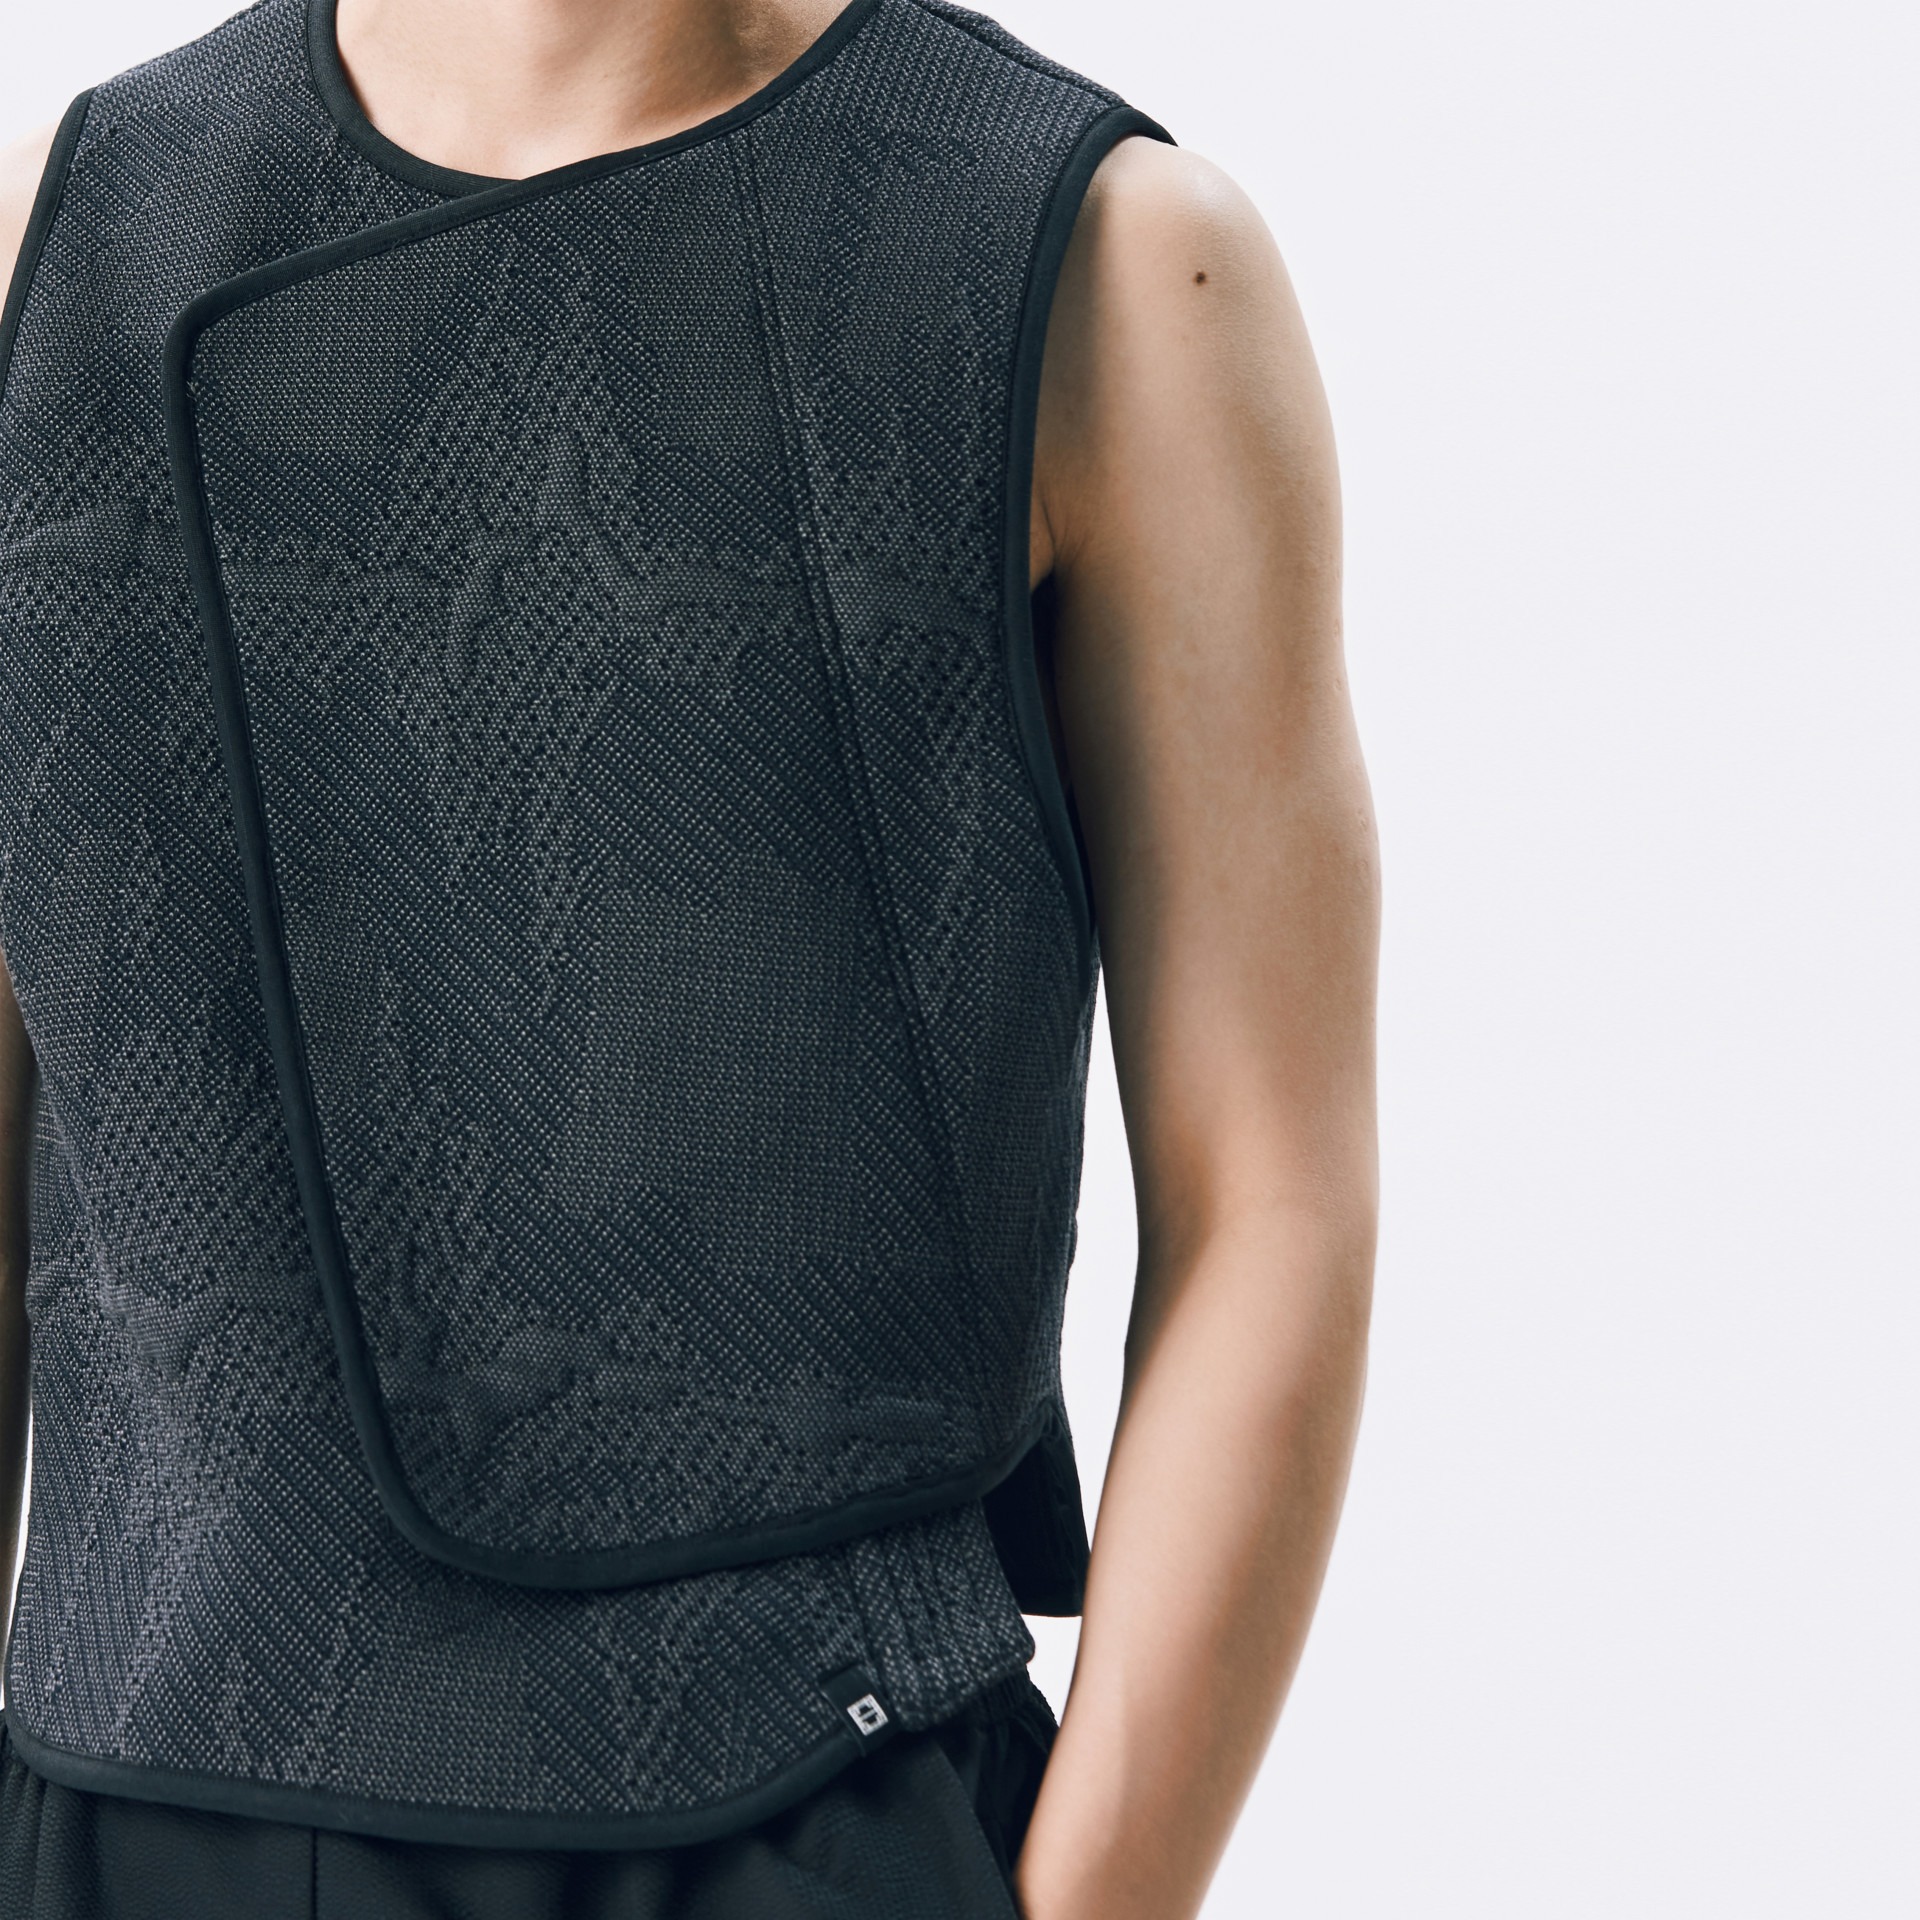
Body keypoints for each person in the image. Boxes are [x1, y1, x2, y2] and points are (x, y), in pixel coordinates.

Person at [0, 0, 1377, 1913]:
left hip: (795, 1798)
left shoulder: (1104, 263)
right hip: (124, 1801)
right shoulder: (62, 234)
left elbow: (1272, 1197)